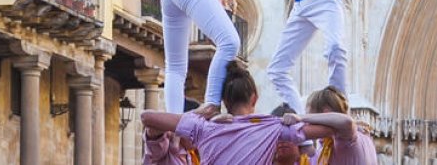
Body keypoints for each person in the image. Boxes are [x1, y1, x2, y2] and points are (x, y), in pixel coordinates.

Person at [141, 61, 333, 165]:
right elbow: (328, 129)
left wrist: (200, 113)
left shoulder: (205, 127)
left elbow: (147, 117)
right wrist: (302, 117)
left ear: (224, 101)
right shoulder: (271, 127)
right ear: (254, 98)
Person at [282, 86, 375, 165]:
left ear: (326, 113)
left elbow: (347, 122)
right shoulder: (358, 135)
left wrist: (301, 118)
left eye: (310, 117)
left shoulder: (347, 138)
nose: (307, 124)